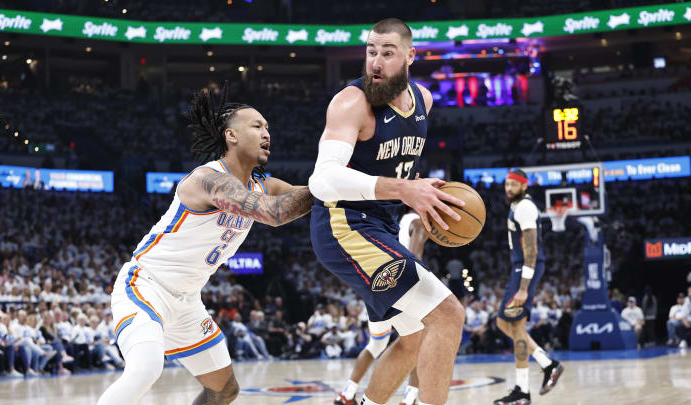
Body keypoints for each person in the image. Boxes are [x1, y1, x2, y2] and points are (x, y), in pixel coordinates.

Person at [97, 83, 314, 405]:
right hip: (146, 286)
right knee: (145, 369)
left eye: (268, 127)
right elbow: (275, 212)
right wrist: (327, 185)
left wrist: (347, 186)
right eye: (257, 126)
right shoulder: (207, 179)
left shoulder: (261, 184)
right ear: (231, 135)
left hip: (186, 301)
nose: (267, 133)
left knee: (224, 390)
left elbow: (306, 193)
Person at [309, 18, 467, 405]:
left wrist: (424, 197)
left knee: (413, 336)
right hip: (342, 225)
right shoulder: (352, 102)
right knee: (448, 314)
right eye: (371, 51)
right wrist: (403, 189)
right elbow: (322, 179)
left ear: (411, 56)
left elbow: (399, 167)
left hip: (380, 224)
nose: (376, 61)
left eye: (388, 52)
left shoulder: (424, 101)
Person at [334, 209, 427, 405]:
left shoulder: (394, 221)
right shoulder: (419, 222)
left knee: (376, 345)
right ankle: (409, 399)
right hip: (400, 284)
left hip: (377, 283)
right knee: (418, 343)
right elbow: (415, 257)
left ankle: (346, 394)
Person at [494, 169, 563, 405]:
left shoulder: (525, 207)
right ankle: (547, 364)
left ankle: (522, 392)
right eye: (507, 184)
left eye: (514, 184)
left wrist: (523, 288)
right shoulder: (516, 206)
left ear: (524, 186)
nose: (509, 188)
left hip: (525, 268)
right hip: (519, 267)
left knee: (517, 326)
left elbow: (531, 251)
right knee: (503, 323)